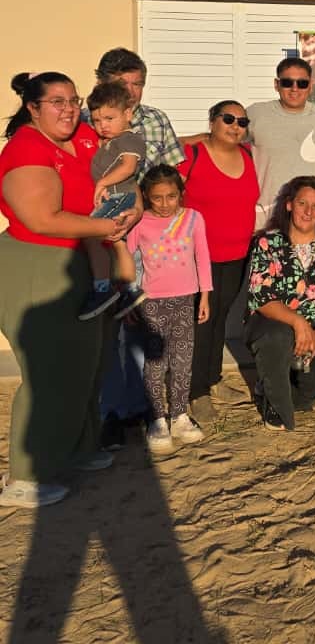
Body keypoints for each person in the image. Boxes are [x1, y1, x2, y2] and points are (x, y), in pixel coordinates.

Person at [0, 72, 131, 508]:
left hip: (84, 259)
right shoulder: (26, 149)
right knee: (49, 371)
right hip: (38, 264)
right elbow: (41, 218)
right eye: (56, 101)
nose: (69, 108)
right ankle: (25, 476)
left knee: (87, 363)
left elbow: (122, 170)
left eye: (74, 100)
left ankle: (77, 449)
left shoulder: (87, 139)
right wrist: (107, 226)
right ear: (32, 108)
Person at [92, 47, 185, 449]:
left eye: (138, 84)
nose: (132, 92)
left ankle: (149, 407)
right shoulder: (88, 120)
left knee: (143, 317)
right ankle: (111, 411)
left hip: (145, 233)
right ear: (103, 83)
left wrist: (150, 213)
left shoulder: (156, 120)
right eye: (123, 84)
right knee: (108, 321)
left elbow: (170, 175)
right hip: (98, 234)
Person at [244, 177, 315, 430]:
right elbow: (261, 298)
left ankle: (276, 383)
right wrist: (298, 323)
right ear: (289, 205)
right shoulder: (268, 242)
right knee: (276, 337)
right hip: (273, 324)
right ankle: (276, 402)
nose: (308, 211)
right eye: (302, 203)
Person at [113, 166, 210, 453]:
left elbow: (202, 256)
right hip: (150, 302)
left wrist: (205, 295)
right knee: (156, 363)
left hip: (185, 299)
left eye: (171, 196)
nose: (165, 203)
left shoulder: (193, 218)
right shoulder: (139, 223)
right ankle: (158, 419)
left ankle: (180, 415)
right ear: (146, 197)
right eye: (157, 198)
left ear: (181, 194)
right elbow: (126, 258)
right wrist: (126, 298)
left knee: (182, 360)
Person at [176, 101, 260, 424]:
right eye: (227, 119)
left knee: (220, 318)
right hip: (198, 258)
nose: (235, 125)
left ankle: (211, 379)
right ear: (212, 121)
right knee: (201, 322)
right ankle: (195, 393)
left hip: (237, 253)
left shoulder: (249, 155)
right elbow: (164, 190)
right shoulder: (191, 155)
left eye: (242, 121)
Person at [247, 57, 315, 228]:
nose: (294, 89)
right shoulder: (255, 114)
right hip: (265, 218)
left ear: (310, 86)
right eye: (287, 82)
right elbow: (221, 136)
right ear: (277, 84)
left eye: (302, 83)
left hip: (309, 218)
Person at [78, 81, 145, 319]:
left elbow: (128, 167)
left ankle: (103, 289)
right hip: (118, 197)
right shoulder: (110, 142)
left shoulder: (128, 139)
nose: (102, 126)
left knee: (91, 237)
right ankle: (129, 290)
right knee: (118, 243)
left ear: (128, 114)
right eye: (97, 121)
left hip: (120, 197)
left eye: (109, 118)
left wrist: (102, 183)